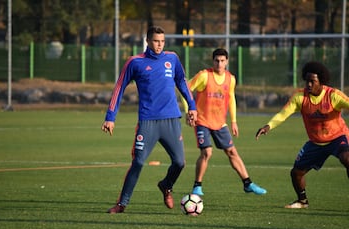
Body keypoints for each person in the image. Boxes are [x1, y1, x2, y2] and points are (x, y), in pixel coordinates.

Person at [102, 26, 197, 214]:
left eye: (162, 41)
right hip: (148, 122)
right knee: (138, 162)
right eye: (156, 41)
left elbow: (182, 82)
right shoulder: (135, 62)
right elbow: (119, 88)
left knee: (179, 162)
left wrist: (192, 106)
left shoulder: (172, 58)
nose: (159, 45)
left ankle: (166, 186)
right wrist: (110, 117)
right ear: (148, 40)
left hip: (171, 120)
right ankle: (122, 204)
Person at [256, 61, 349, 209]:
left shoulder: (333, 95)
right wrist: (268, 126)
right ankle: (302, 201)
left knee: (347, 158)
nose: (309, 85)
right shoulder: (300, 97)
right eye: (307, 81)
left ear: (321, 81)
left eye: (313, 81)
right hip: (315, 142)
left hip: (337, 138)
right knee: (296, 173)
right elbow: (283, 114)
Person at [184, 48, 267, 196]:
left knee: (231, 151)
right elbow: (185, 90)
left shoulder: (231, 79)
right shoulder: (204, 76)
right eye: (217, 60)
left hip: (220, 122)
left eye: (222, 61)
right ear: (213, 61)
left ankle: (248, 183)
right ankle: (197, 186)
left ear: (227, 62)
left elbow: (231, 99)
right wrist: (189, 111)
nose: (219, 64)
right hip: (202, 121)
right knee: (207, 152)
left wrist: (234, 121)